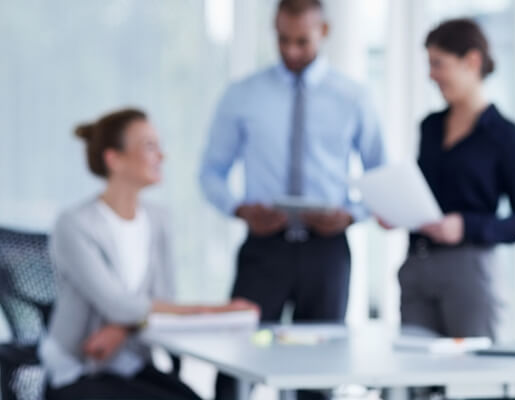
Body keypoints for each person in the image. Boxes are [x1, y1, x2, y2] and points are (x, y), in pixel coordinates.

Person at [198, 0, 384, 397]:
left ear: (324, 32)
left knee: (318, 372)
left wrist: (351, 215)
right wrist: (238, 208)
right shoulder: (243, 95)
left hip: (326, 252)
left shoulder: (353, 97)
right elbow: (211, 173)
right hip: (264, 249)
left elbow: (381, 178)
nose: (292, 51)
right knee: (235, 367)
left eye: (302, 41)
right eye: (283, 40)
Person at [40, 109, 258, 400]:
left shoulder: (158, 220)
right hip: (78, 370)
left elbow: (162, 299)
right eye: (149, 146)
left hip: (130, 363)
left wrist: (121, 329)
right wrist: (213, 310)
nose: (162, 156)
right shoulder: (75, 224)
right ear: (114, 159)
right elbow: (118, 305)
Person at [396, 18, 515, 339]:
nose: (431, 75)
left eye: (438, 64)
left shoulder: (506, 135)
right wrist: (397, 210)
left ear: (472, 62)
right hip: (417, 263)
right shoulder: (430, 127)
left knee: (472, 365)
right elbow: (426, 194)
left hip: (469, 268)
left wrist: (467, 226)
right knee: (412, 365)